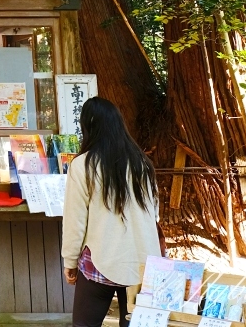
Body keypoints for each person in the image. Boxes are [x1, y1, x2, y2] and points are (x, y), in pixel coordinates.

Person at [62, 96, 162, 327]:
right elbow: (154, 213)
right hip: (144, 264)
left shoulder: (83, 165)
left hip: (101, 262)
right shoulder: (143, 163)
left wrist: (70, 260)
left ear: (88, 127)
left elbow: (75, 220)